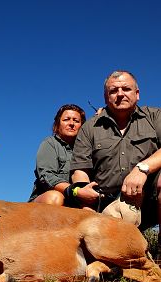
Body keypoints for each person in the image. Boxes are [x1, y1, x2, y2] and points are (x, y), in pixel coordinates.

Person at [69, 70, 161, 261]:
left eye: (126, 89)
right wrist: (84, 195)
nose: (120, 94)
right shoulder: (90, 128)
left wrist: (142, 169)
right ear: (106, 96)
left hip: (150, 200)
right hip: (110, 205)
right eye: (113, 90)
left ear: (137, 93)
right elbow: (80, 169)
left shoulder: (155, 117)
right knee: (103, 256)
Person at [28, 104, 86, 205]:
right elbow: (46, 176)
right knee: (55, 198)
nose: (71, 123)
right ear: (58, 124)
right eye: (66, 119)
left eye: (76, 121)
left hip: (78, 201)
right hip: (48, 199)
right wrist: (75, 191)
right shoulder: (50, 143)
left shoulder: (86, 149)